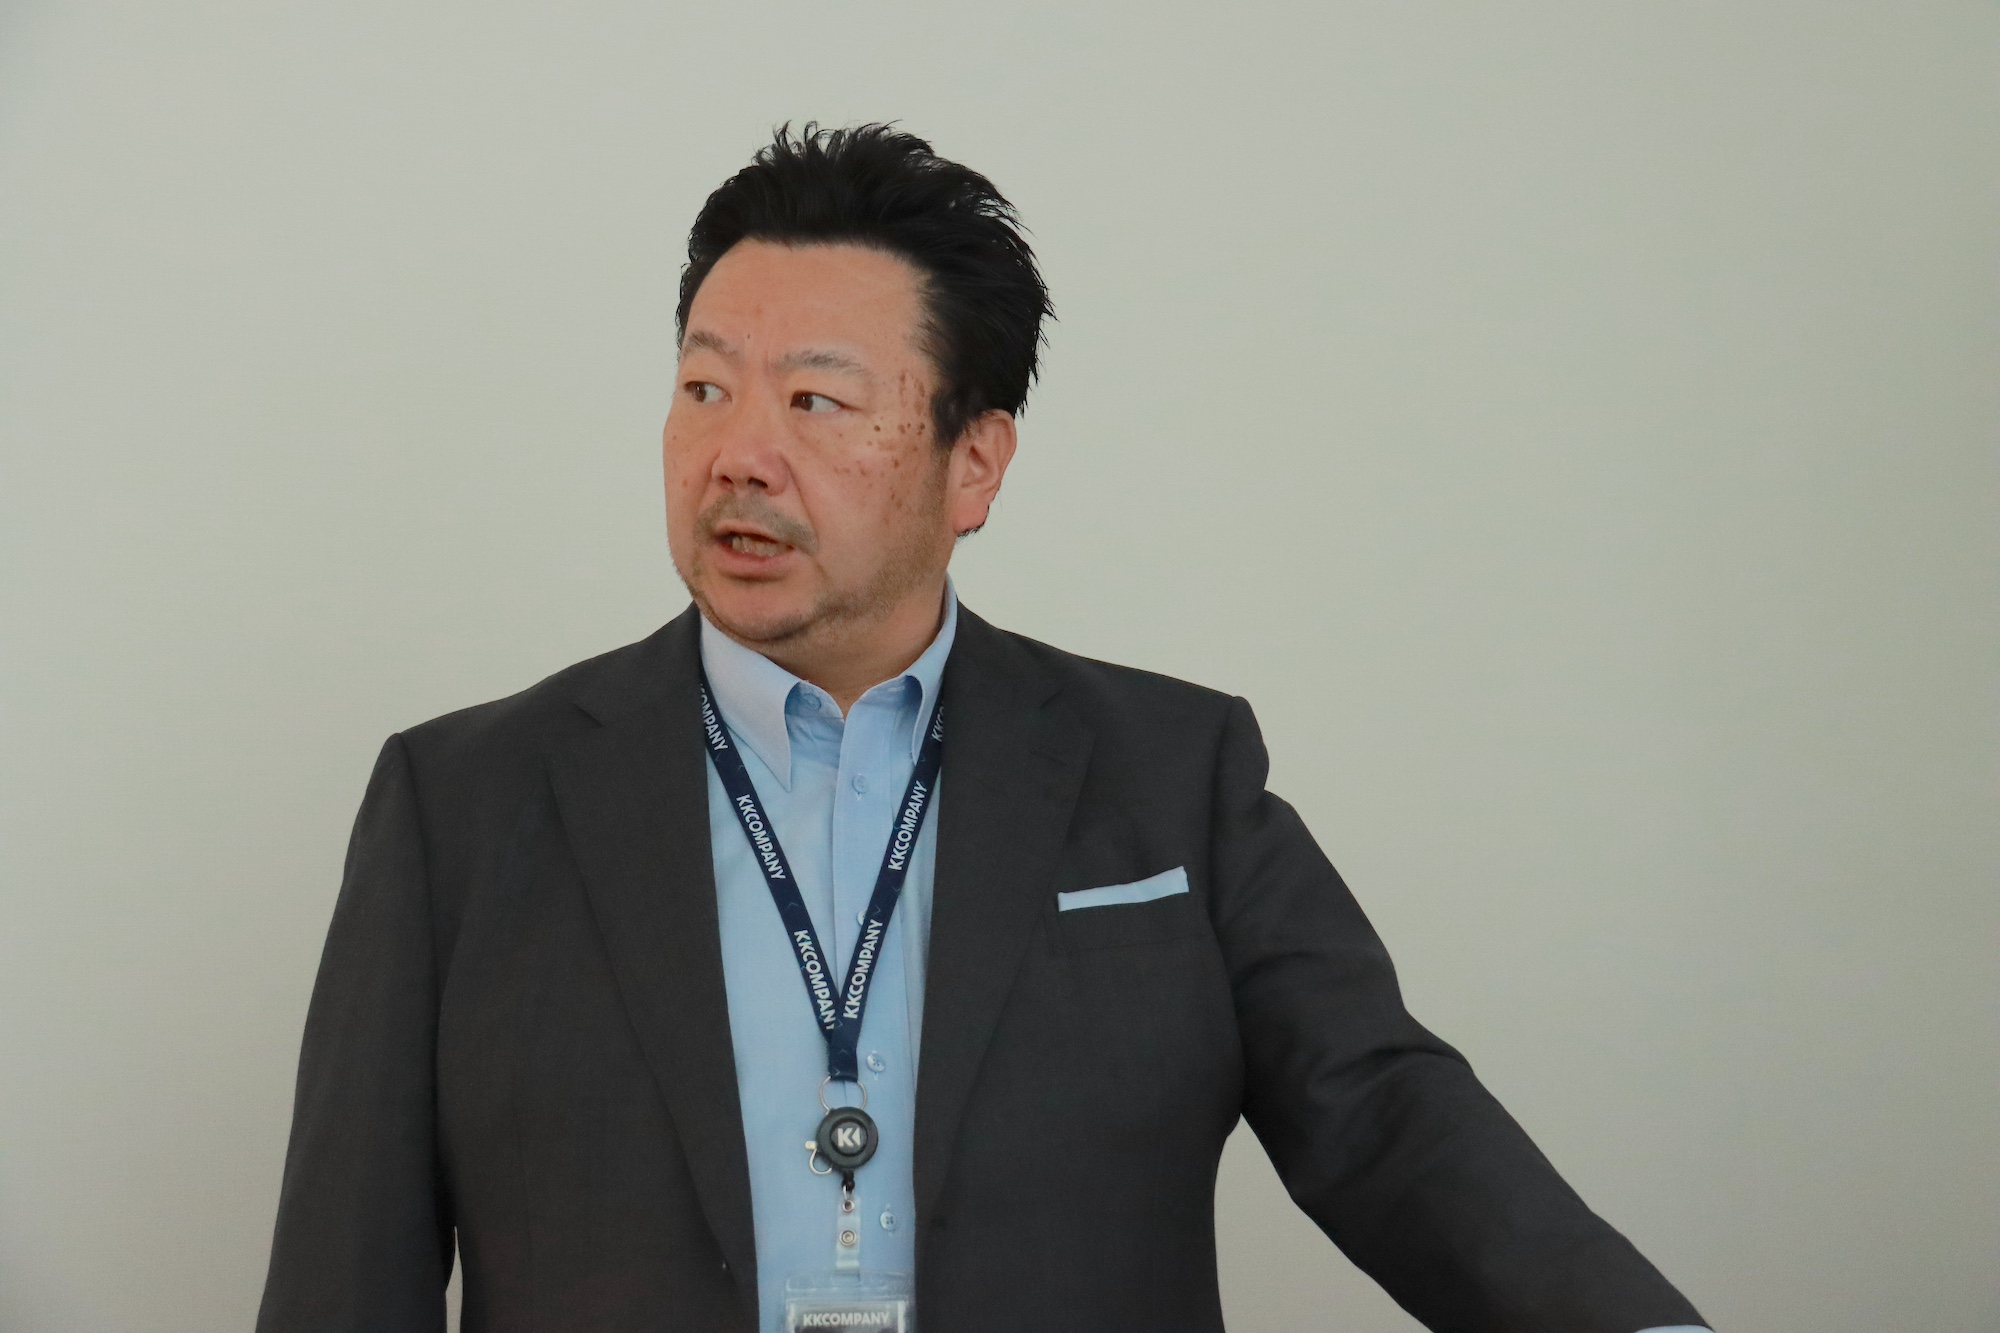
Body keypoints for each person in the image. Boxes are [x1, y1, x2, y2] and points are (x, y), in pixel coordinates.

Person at [257, 123, 1710, 1333]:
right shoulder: (463, 804)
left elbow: (1389, 1123)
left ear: (975, 463)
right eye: (703, 388)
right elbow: (346, 1272)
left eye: (816, 399)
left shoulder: (1172, 774)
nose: (739, 453)